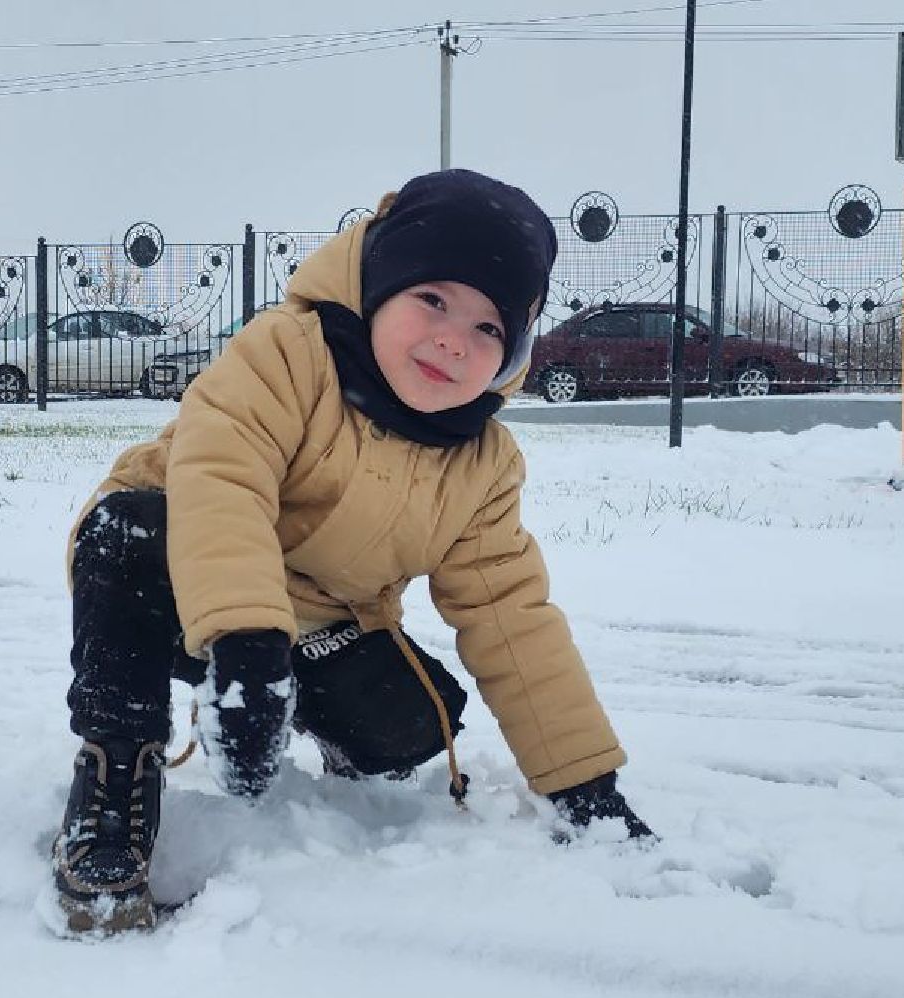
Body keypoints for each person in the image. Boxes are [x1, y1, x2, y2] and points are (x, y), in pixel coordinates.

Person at [50, 168, 652, 935]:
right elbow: (223, 485)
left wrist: (583, 785)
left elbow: (509, 615)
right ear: (378, 284)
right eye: (432, 300)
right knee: (127, 533)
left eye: (488, 329)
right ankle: (114, 778)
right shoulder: (287, 355)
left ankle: (292, 704)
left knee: (415, 728)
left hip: (318, 618)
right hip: (174, 572)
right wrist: (245, 651)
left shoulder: (481, 464)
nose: (452, 339)